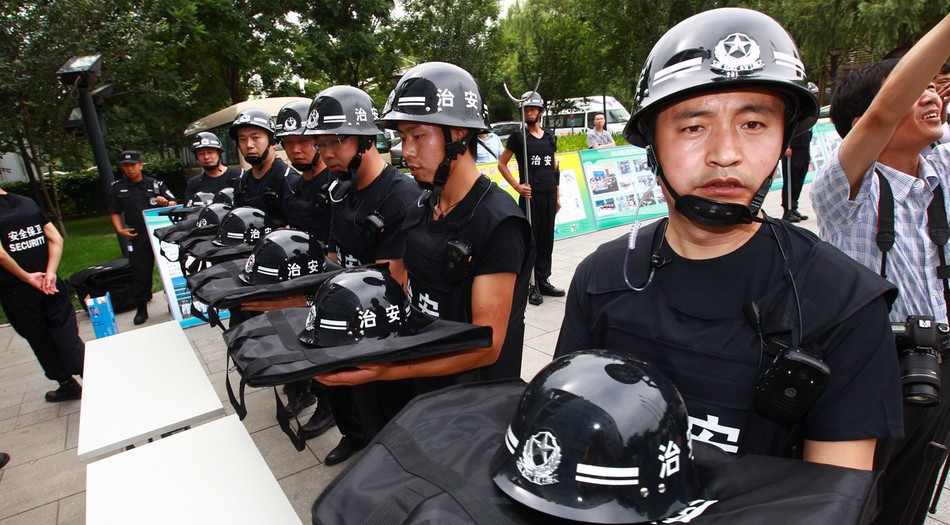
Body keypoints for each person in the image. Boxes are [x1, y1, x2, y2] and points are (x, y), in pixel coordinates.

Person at [555, 7, 903, 474]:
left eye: (753, 124)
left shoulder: (845, 305)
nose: (725, 154)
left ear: (784, 140)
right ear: (652, 146)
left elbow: (832, 499)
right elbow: (564, 432)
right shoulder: (601, 276)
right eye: (693, 126)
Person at [810, 14, 950, 525]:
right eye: (919, 92)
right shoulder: (844, 190)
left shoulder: (942, 170)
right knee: (850, 504)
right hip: (866, 372)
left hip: (935, 367)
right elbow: (881, 112)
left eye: (937, 88)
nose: (932, 97)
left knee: (910, 503)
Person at [318, 61, 532, 393]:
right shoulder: (422, 204)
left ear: (458, 135)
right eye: (403, 137)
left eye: (418, 136)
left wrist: (387, 371)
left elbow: (485, 347)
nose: (408, 151)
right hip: (423, 386)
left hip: (471, 401)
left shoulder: (499, 223)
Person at [303, 85, 421, 465]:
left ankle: (384, 455)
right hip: (343, 315)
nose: (327, 153)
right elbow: (334, 254)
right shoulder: (341, 189)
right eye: (320, 144)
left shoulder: (399, 196)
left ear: (366, 138)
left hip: (378, 322)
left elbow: (392, 285)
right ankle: (353, 435)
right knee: (345, 396)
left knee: (382, 412)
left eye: (335, 141)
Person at [273, 98, 335, 441]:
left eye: (303, 141)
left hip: (328, 279)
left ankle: (328, 407)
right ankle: (303, 391)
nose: (296, 150)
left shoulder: (335, 184)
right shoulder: (293, 185)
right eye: (289, 143)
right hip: (299, 280)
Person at [0, 187, 84, 401]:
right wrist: (51, 272)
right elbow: (55, 238)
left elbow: (1, 255)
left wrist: (26, 277)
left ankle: (66, 383)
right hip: (51, 283)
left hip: (18, 292)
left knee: (40, 339)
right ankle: (90, 373)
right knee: (66, 332)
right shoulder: (27, 203)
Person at [498, 91, 563, 306]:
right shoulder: (518, 138)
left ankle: (544, 280)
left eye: (533, 109)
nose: (529, 112)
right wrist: (517, 186)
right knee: (531, 241)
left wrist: (557, 194)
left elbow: (554, 166)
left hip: (549, 194)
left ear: (540, 112)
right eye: (526, 109)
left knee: (546, 240)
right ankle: (531, 285)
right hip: (529, 197)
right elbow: (502, 164)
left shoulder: (549, 136)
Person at [109, 150, 177, 325]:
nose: (130, 169)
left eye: (133, 165)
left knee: (169, 270)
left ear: (140, 165)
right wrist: (120, 230)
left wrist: (165, 202)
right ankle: (141, 308)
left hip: (160, 235)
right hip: (137, 236)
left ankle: (174, 303)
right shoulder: (118, 187)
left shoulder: (155, 184)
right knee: (140, 273)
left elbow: (174, 203)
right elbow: (114, 211)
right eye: (126, 166)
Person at [230, 108, 292, 227]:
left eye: (255, 138)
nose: (249, 145)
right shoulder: (241, 182)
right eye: (242, 139)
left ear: (272, 141)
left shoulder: (287, 180)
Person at [781, 83, 818, 223]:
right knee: (791, 180)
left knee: (800, 178)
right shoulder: (795, 110)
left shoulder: (810, 112)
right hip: (793, 149)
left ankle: (794, 207)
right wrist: (787, 146)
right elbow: (786, 128)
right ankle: (787, 210)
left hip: (803, 148)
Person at [183, 132, 242, 203]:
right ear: (196, 157)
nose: (206, 157)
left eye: (210, 152)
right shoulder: (194, 184)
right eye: (201, 153)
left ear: (219, 153)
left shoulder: (239, 175)